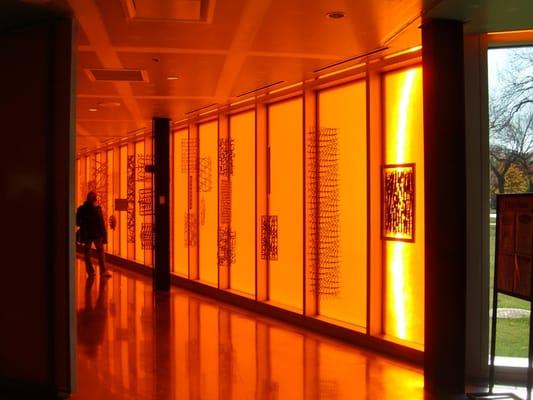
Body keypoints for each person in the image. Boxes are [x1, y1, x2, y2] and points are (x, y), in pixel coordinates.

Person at [76, 191, 111, 278]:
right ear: (94, 199)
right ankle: (103, 271)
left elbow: (77, 222)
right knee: (100, 253)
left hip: (86, 234)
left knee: (87, 253)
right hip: (97, 235)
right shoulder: (97, 209)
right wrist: (104, 236)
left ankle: (90, 271)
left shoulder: (81, 209)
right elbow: (101, 224)